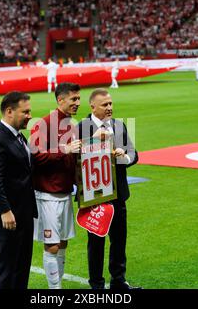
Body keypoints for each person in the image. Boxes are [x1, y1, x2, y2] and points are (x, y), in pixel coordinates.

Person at [77, 88, 140, 290]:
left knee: (119, 240)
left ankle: (118, 281)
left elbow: (134, 154)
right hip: (94, 196)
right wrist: (95, 141)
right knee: (96, 243)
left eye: (111, 103)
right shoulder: (80, 128)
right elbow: (73, 159)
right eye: (105, 105)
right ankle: (96, 285)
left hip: (118, 194)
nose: (110, 107)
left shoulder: (119, 126)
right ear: (93, 107)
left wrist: (123, 156)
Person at [0, 91, 36, 289]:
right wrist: (5, 210)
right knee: (7, 268)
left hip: (22, 213)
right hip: (7, 217)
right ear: (9, 111)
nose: (29, 115)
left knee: (21, 266)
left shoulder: (18, 137)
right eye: (26, 111)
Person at [29, 82, 82, 289]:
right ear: (60, 100)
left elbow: (73, 158)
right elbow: (36, 155)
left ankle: (56, 286)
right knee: (52, 246)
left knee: (63, 244)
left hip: (65, 193)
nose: (78, 103)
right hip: (47, 194)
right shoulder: (43, 124)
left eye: (78, 99)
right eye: (73, 99)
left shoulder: (71, 125)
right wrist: (64, 149)